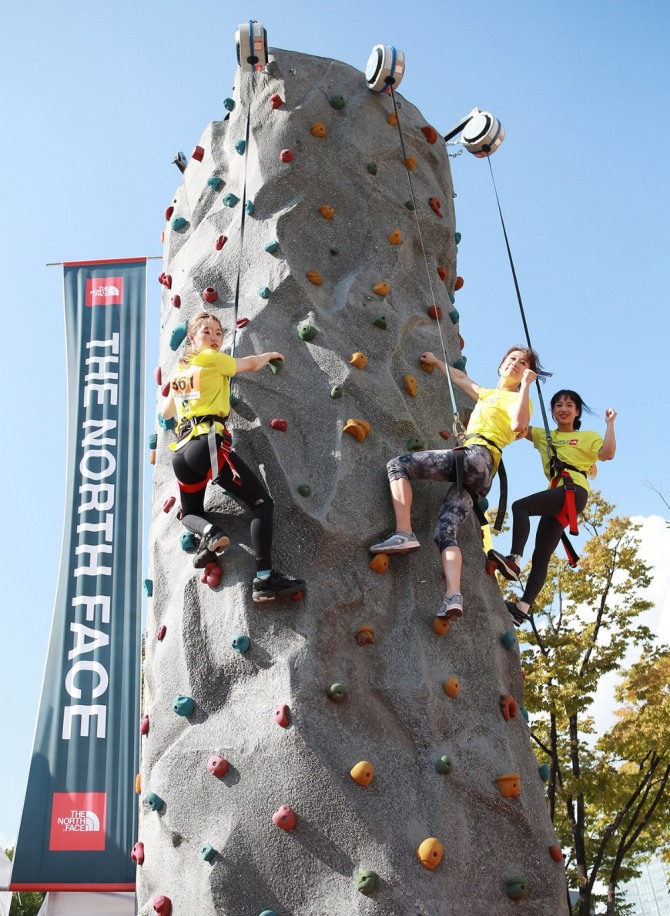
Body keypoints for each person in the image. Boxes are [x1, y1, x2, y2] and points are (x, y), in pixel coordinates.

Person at [370, 346, 549, 621]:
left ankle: (404, 531)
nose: (515, 364)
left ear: (527, 371)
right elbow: (463, 380)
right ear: (501, 365)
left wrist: (525, 386)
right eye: (511, 359)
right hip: (481, 476)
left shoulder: (519, 399)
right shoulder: (489, 394)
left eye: (522, 363)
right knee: (445, 533)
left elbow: (518, 424)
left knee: (398, 465)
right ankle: (453, 595)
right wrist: (436, 362)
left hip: (477, 456)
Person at [160, 311, 305, 602]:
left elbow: (166, 412)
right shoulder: (212, 359)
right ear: (192, 338)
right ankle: (264, 579)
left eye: (218, 333)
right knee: (262, 504)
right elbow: (250, 364)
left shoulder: (179, 375)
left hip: (181, 453)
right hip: (207, 444)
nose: (215, 338)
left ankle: (211, 533)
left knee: (190, 513)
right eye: (207, 333)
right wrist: (269, 355)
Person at [488, 390, 616, 624]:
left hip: (574, 491)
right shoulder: (544, 435)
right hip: (560, 495)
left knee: (521, 506)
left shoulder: (587, 437)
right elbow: (520, 425)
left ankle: (514, 560)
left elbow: (607, 453)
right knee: (541, 556)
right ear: (552, 412)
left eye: (569, 405)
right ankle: (522, 609)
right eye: (558, 405)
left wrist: (609, 424)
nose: (563, 409)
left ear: (577, 412)